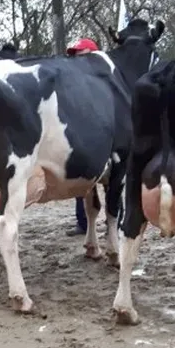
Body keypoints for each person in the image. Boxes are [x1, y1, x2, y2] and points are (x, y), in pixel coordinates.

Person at [64, 37, 99, 236]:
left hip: (104, 140)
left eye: (81, 54)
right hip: (82, 139)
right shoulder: (72, 83)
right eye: (74, 55)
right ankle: (83, 222)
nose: (77, 59)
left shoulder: (106, 80)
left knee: (113, 183)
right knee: (82, 184)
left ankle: (114, 221)